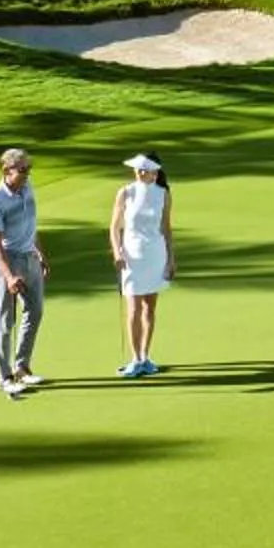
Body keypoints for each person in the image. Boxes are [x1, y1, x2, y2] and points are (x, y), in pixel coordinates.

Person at [0, 147, 46, 398]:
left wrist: (41, 253)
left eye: (29, 168)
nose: (27, 172)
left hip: (30, 257)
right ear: (6, 170)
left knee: (36, 310)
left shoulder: (27, 188)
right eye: (22, 169)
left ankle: (22, 367)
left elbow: (32, 225)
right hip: (9, 261)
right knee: (5, 320)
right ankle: (5, 377)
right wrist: (9, 276)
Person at [109, 151, 174, 379]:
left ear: (154, 172)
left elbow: (166, 228)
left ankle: (146, 357)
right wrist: (117, 252)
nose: (139, 172)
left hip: (155, 254)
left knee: (149, 307)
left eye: (144, 169)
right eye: (138, 169)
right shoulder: (126, 192)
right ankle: (135, 358)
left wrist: (171, 258)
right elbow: (115, 227)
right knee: (134, 308)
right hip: (131, 257)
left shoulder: (163, 194)